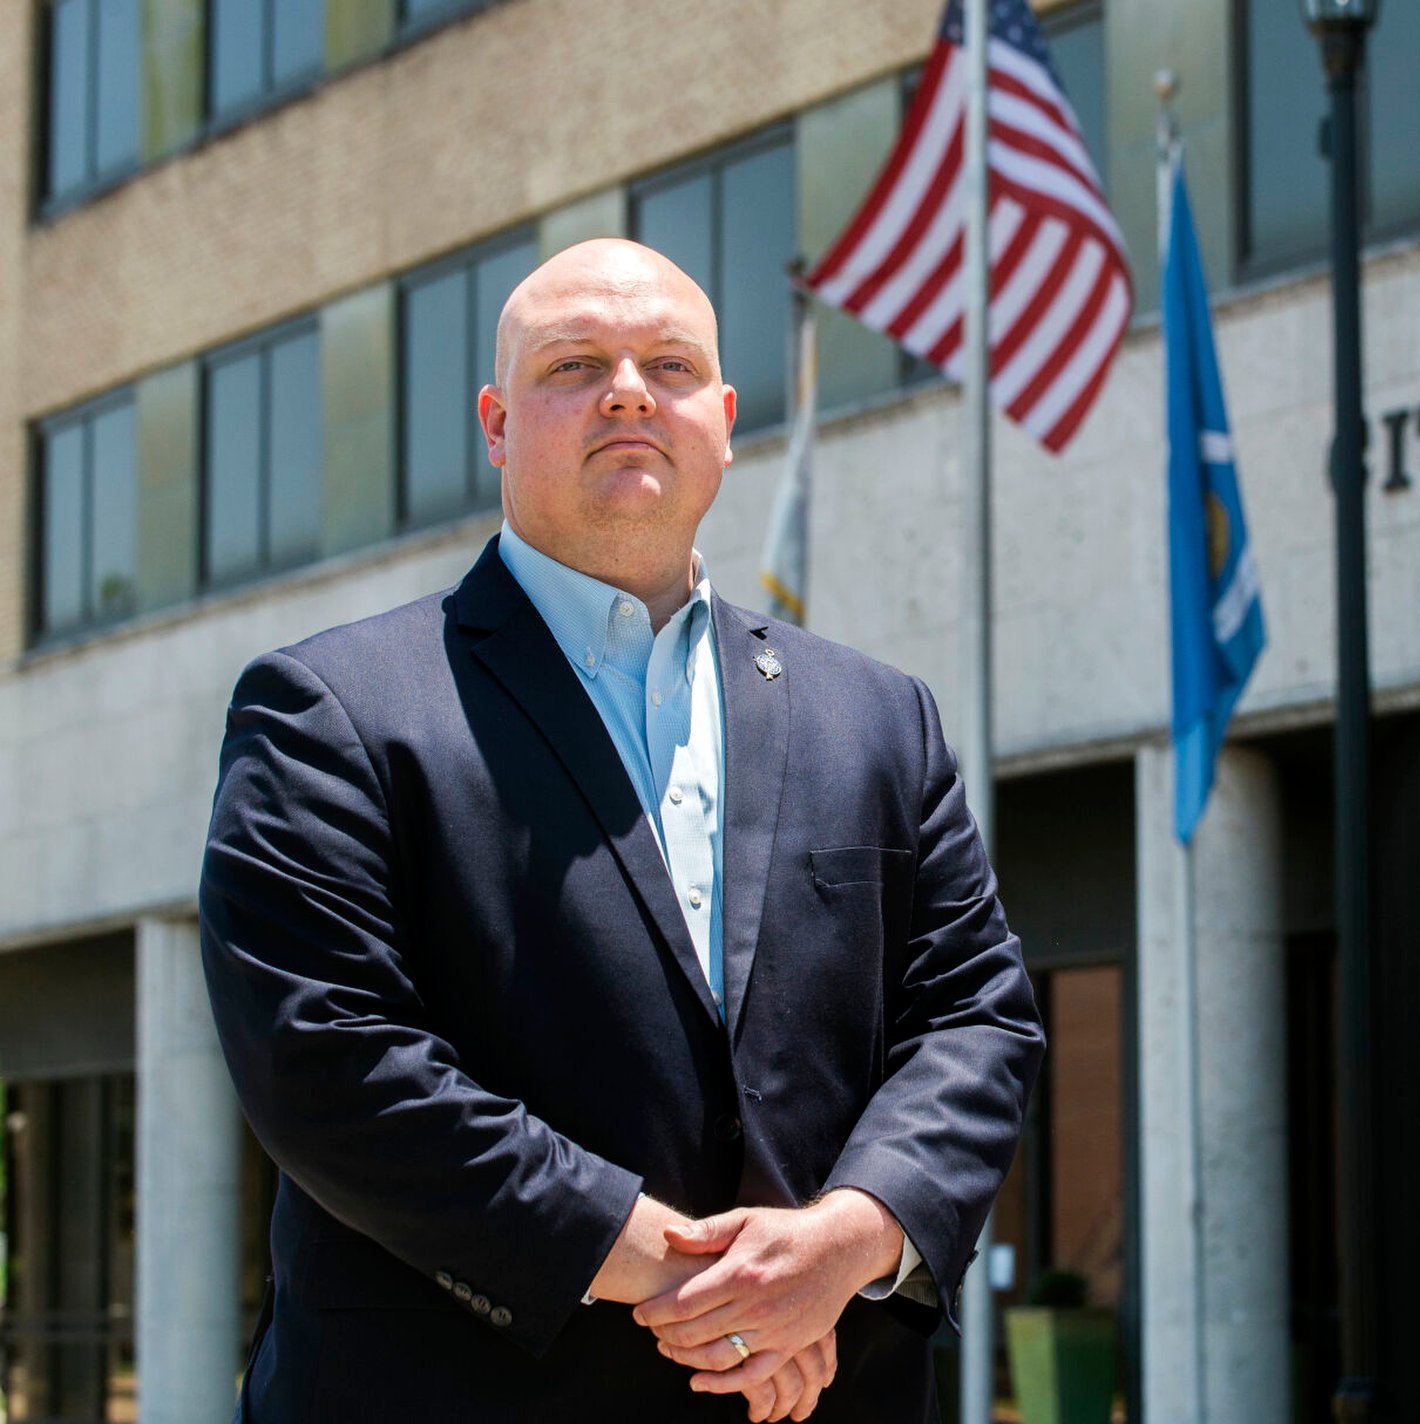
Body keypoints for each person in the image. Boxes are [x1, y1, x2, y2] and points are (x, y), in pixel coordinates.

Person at [200, 238, 1043, 1423]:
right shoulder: (332, 710)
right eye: (574, 364)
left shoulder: (878, 717)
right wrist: (670, 1266)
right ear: (495, 425)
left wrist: (849, 1239)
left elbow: (976, 1017)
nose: (630, 389)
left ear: (726, 418)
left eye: (671, 364)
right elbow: (326, 1053)